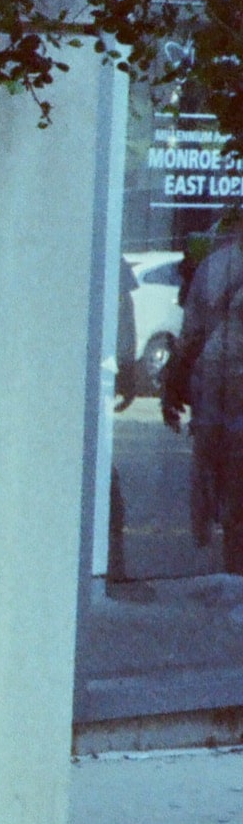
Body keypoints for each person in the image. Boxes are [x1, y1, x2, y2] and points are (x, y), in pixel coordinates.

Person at [166, 207, 243, 576]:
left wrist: (173, 385)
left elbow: (191, 334)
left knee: (215, 468)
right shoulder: (216, 266)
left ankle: (218, 551)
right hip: (221, 386)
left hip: (213, 383)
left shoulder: (214, 267)